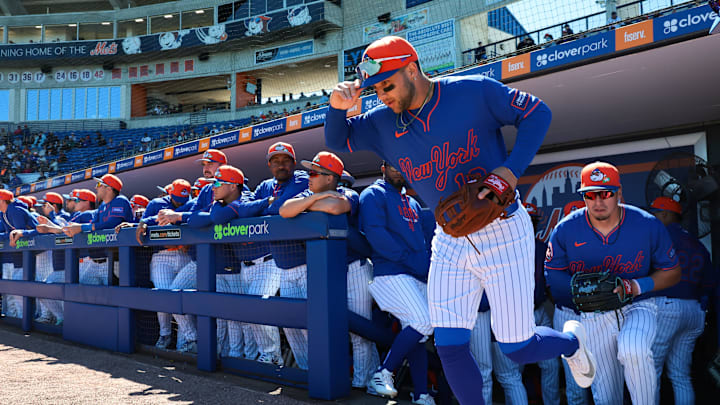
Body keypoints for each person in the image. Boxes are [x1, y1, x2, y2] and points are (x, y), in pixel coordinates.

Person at [324, 35, 590, 404]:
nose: (382, 95)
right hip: (448, 238)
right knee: (449, 344)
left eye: (387, 84)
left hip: (503, 230)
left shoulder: (472, 91)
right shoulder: (382, 121)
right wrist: (337, 106)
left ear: (412, 69)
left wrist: (510, 172)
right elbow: (337, 140)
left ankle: (574, 342)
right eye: (375, 89)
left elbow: (537, 112)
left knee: (516, 346)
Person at [545, 162, 681, 405]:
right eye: (591, 194)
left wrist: (636, 286)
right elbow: (553, 274)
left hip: (637, 305)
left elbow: (672, 271)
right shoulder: (565, 229)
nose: (598, 202)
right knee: (606, 395)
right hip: (593, 313)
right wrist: (577, 291)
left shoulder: (647, 223)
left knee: (633, 349)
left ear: (619, 194)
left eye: (606, 193)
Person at [281, 152, 381, 386]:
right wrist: (319, 197)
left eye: (314, 173)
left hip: (354, 268)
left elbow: (335, 207)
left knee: (360, 331)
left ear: (330, 178)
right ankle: (351, 379)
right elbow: (285, 210)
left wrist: (313, 202)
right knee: (330, 327)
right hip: (327, 271)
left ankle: (362, 384)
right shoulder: (312, 192)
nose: (309, 177)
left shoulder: (350, 194)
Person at [648, 196, 715, 405]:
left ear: (666, 214)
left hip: (668, 306)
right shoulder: (696, 243)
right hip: (694, 310)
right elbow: (710, 284)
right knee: (680, 375)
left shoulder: (659, 236)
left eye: (656, 213)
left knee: (651, 373)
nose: (652, 217)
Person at [251, 142, 309, 365]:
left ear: (293, 163)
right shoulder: (266, 186)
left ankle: (320, 371)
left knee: (308, 324)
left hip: (306, 263)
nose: (281, 165)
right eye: (276, 161)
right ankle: (305, 372)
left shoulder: (302, 179)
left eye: (285, 160)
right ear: (269, 165)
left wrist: (264, 208)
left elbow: (282, 207)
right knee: (291, 325)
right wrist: (266, 204)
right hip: (282, 264)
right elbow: (246, 205)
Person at [130, 180, 193, 351]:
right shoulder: (157, 203)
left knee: (180, 297)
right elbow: (145, 223)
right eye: (177, 197)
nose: (180, 201)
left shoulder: (190, 203)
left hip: (184, 254)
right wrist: (139, 223)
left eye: (183, 198)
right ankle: (169, 335)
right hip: (162, 255)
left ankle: (184, 343)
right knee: (164, 296)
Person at [62, 174, 133, 285]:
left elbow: (112, 223)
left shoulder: (120, 200)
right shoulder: (102, 206)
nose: (96, 187)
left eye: (99, 184)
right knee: (82, 288)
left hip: (117, 260)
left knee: (114, 295)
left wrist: (81, 227)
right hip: (97, 261)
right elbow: (93, 225)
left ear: (109, 188)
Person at [0, 189, 39, 318]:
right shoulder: (4, 213)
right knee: (17, 287)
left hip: (41, 251)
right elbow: (10, 234)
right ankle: (23, 316)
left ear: (2, 200)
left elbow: (19, 233)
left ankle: (34, 317)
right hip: (27, 254)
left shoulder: (14, 210)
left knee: (39, 287)